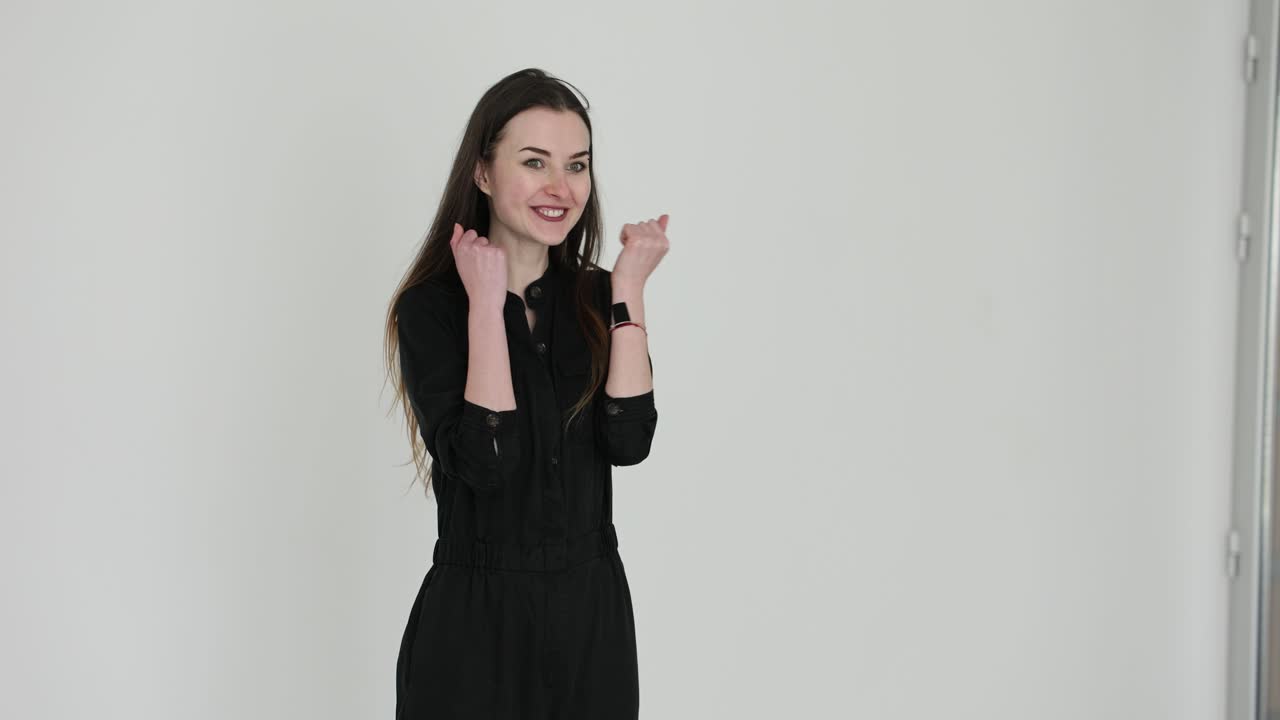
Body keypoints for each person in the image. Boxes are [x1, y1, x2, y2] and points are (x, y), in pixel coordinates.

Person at [383, 68, 669, 719]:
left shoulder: (598, 297)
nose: (559, 188)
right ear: (482, 172)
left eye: (576, 165)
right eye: (534, 162)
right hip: (474, 623)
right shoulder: (432, 309)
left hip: (592, 613)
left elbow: (629, 440)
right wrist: (488, 303)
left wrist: (628, 290)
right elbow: (486, 461)